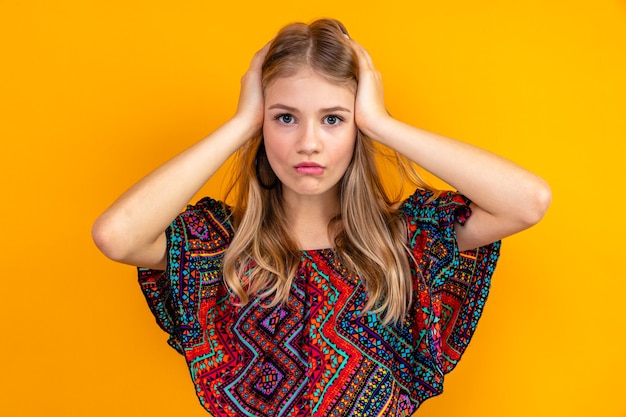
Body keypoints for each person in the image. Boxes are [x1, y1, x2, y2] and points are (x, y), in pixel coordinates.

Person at [92, 18, 551, 416]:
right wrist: (241, 122)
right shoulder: (219, 248)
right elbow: (117, 236)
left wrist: (380, 122)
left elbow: (528, 201)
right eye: (285, 118)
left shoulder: (404, 240)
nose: (308, 143)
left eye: (333, 119)